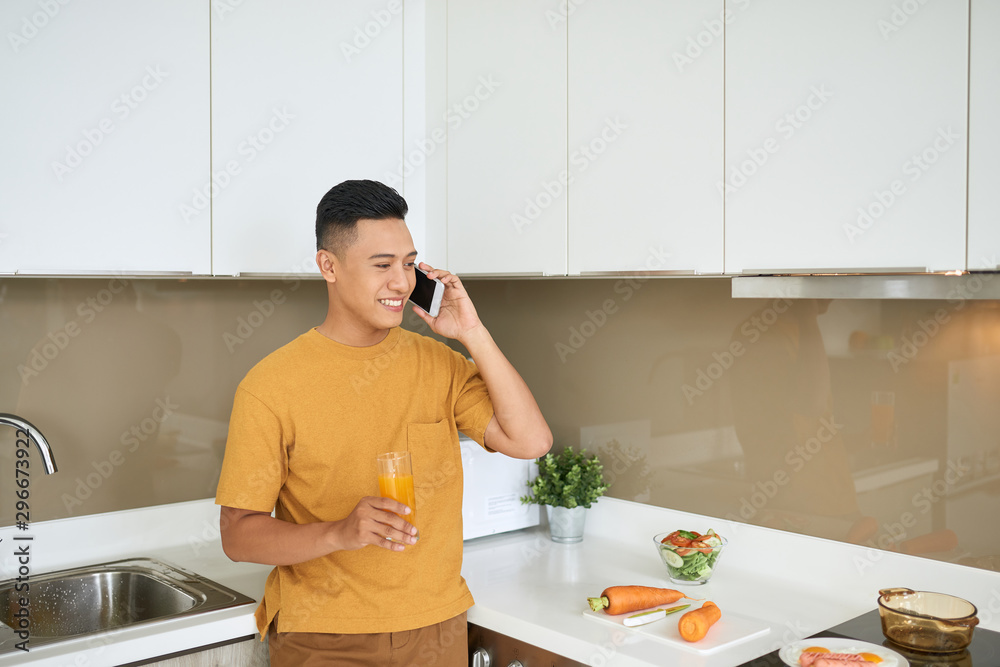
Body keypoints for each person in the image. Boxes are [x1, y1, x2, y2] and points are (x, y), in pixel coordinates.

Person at [215, 179, 552, 666]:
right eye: (382, 266)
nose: (402, 282)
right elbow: (237, 535)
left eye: (410, 263)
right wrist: (341, 532)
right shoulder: (270, 386)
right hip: (324, 639)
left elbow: (531, 441)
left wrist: (472, 334)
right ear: (328, 266)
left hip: (436, 629)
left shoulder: (438, 363)